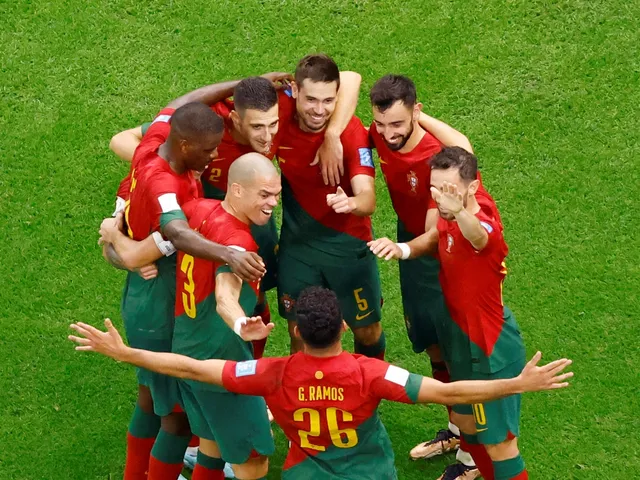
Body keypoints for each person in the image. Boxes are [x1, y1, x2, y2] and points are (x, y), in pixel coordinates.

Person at [69, 287, 573, 480]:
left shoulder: (272, 374)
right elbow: (450, 392)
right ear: (343, 328)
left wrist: (124, 352)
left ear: (296, 332)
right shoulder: (371, 374)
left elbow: (192, 369)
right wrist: (517, 383)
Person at [108, 70, 362, 359]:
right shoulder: (204, 132)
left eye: (273, 125)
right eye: (257, 127)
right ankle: (219, 360)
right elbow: (122, 142)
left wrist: (331, 134)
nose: (268, 136)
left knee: (255, 293)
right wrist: (174, 169)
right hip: (202, 227)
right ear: (235, 120)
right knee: (212, 297)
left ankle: (249, 361)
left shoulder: (269, 103)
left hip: (253, 218)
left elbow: (349, 78)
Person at [98, 81, 268, 480]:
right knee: (173, 415)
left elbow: (179, 103)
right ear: (186, 145)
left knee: (157, 401)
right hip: (155, 304)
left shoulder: (156, 142)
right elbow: (176, 233)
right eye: (209, 150)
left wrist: (241, 85)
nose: (214, 157)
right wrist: (229, 253)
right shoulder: (166, 187)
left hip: (150, 293)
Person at [369, 147, 531, 480]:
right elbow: (435, 237)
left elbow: (478, 236)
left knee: (500, 444)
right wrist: (401, 248)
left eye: (449, 190)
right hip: (459, 336)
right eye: (434, 188)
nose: (440, 197)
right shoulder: (448, 216)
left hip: (489, 347)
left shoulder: (484, 225)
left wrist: (459, 211)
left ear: (472, 188)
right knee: (467, 425)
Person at [368, 74, 480, 478]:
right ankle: (457, 431)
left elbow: (434, 235)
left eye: (398, 123)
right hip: (411, 249)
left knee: (459, 355)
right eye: (381, 124)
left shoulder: (437, 159)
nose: (388, 134)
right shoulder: (380, 134)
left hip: (443, 258)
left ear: (416, 111)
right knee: (433, 345)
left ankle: (472, 460)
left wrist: (402, 250)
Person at [276, 54, 385, 359]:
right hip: (298, 246)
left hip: (348, 245)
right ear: (295, 91)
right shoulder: (278, 117)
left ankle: (368, 387)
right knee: (298, 332)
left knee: (367, 331)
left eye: (328, 101)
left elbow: (368, 200)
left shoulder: (351, 132)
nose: (319, 110)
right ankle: (303, 388)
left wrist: (350, 203)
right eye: (311, 99)